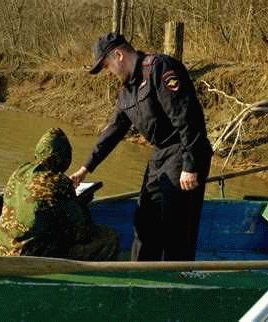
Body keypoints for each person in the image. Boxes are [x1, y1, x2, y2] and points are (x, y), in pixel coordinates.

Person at [70, 33, 213, 261]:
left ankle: (176, 281)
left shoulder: (159, 68)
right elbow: (113, 131)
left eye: (107, 66)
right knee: (145, 219)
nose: (109, 73)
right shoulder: (127, 91)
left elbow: (187, 117)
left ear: (118, 55)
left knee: (176, 226)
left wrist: (191, 165)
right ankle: (139, 274)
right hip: (160, 154)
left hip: (184, 150)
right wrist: (85, 168)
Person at [0, 127, 119, 260]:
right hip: (34, 258)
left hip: (4, 251)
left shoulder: (19, 171)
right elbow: (82, 233)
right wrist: (80, 205)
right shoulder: (59, 181)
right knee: (110, 237)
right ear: (63, 158)